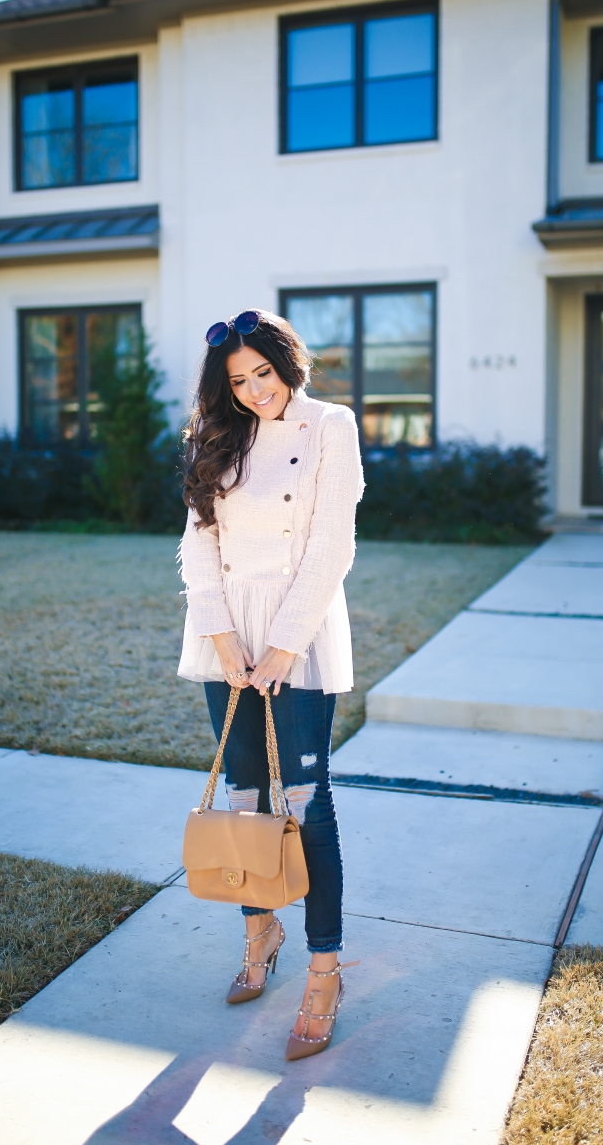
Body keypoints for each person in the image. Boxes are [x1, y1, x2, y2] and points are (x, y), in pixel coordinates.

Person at [178, 308, 364, 1060]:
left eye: (264, 372)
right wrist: (223, 641)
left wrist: (284, 647)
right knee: (245, 800)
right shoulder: (216, 438)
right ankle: (261, 931)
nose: (256, 390)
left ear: (290, 363)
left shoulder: (330, 426)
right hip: (225, 633)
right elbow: (198, 545)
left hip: (302, 630)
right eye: (239, 381)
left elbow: (332, 544)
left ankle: (325, 972)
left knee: (305, 801)